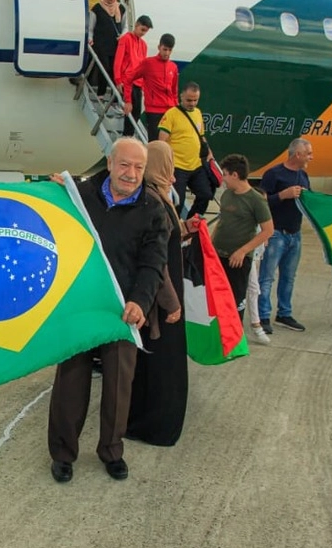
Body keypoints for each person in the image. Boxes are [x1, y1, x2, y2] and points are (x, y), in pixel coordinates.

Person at [48, 138, 169, 483]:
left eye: (139, 168)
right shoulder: (80, 195)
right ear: (111, 162)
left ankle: (111, 451)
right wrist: (55, 191)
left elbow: (153, 262)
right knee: (70, 383)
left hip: (123, 308)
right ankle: (62, 453)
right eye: (125, 165)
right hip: (82, 305)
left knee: (119, 385)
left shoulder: (152, 208)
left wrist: (140, 301)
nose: (132, 174)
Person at [127, 141, 195, 447]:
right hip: (161, 298)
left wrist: (186, 227)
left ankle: (143, 421)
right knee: (161, 365)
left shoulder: (155, 195)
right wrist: (171, 302)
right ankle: (154, 426)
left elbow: (167, 236)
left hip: (157, 294)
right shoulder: (153, 198)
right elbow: (158, 261)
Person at [257, 138, 313, 334]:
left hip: (295, 234)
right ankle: (262, 316)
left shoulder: (304, 175)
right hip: (276, 234)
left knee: (288, 277)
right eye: (308, 154)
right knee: (267, 277)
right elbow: (261, 203)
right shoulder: (273, 174)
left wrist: (307, 197)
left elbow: (311, 204)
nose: (311, 157)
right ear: (297, 154)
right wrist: (282, 195)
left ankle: (284, 313)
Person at [212, 154, 273, 323]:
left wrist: (242, 251)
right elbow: (221, 222)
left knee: (236, 302)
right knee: (216, 301)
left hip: (238, 261)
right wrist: (210, 246)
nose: (223, 179)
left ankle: (235, 341)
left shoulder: (256, 200)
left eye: (224, 174)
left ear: (235, 175)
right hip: (219, 257)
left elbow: (268, 230)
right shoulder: (226, 195)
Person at [158, 81, 214, 218]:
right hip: (177, 166)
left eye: (196, 100)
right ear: (181, 96)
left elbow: (201, 136)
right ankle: (173, 229)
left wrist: (209, 153)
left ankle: (190, 224)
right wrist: (165, 166)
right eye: (189, 100)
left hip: (195, 165)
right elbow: (161, 142)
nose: (192, 103)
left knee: (206, 195)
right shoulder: (171, 114)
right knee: (178, 202)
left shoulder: (198, 113)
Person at [123, 33, 179, 141]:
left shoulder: (173, 67)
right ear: (159, 47)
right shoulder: (148, 63)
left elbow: (174, 91)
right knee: (154, 143)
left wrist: (177, 109)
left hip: (170, 111)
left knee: (169, 144)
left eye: (169, 50)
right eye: (165, 49)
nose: (166, 53)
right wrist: (128, 101)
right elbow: (128, 79)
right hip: (154, 111)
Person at [113, 15, 153, 136]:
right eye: (142, 29)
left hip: (138, 83)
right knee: (129, 110)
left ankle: (128, 136)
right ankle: (126, 136)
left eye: (146, 31)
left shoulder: (144, 45)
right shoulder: (125, 39)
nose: (143, 33)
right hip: (127, 80)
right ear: (136, 25)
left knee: (137, 112)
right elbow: (118, 60)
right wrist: (118, 79)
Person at [88, 0, 125, 98]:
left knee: (115, 70)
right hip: (101, 44)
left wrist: (123, 36)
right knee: (104, 68)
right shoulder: (97, 8)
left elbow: (125, 26)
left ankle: (115, 97)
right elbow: (91, 27)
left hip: (116, 45)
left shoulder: (121, 8)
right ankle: (101, 93)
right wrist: (90, 38)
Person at [246, 243, 271, 345]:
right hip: (239, 246)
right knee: (252, 287)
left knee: (253, 288)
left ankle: (256, 324)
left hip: (252, 248)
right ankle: (255, 325)